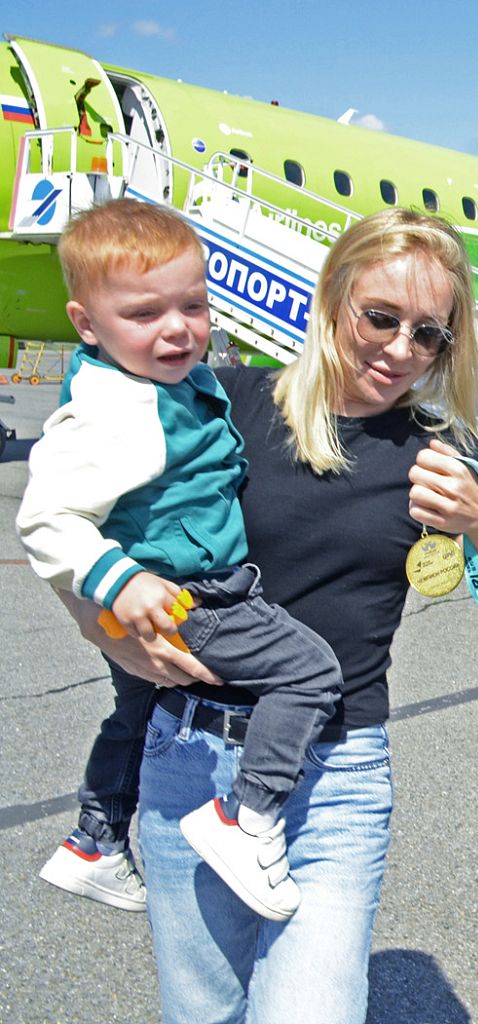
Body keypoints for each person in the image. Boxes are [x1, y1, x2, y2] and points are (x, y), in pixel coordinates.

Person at [57, 206, 478, 1024]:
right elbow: (67, 512)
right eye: (380, 317)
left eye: (429, 333)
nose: (400, 349)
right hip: (189, 758)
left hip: (333, 776)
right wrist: (101, 628)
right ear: (332, 298)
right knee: (204, 1012)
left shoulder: (440, 454)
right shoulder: (221, 404)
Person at [21, 198, 342, 921]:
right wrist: (120, 580)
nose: (176, 328)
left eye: (193, 305)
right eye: (144, 313)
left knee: (136, 711)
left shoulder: (168, 381)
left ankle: (96, 838)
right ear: (86, 323)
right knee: (310, 673)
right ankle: (248, 818)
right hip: (192, 596)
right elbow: (45, 517)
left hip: (163, 596)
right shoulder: (115, 410)